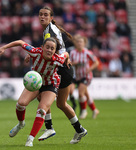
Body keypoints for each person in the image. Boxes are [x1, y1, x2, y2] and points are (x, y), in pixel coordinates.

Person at [0, 37, 76, 147]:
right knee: (20, 104)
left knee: (42, 110)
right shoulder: (35, 52)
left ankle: (30, 139)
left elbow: (65, 54)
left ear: (55, 50)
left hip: (50, 84)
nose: (49, 50)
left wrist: (67, 60)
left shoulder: (58, 59)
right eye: (47, 47)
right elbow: (20, 42)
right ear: (42, 47)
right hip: (36, 83)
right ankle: (20, 124)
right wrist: (3, 47)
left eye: (52, 48)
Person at [25, 6, 87, 143]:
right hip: (62, 67)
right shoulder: (49, 30)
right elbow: (54, 49)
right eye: (40, 14)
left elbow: (53, 49)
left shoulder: (50, 32)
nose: (42, 17)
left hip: (61, 68)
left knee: (43, 94)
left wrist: (65, 56)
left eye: (46, 15)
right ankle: (79, 130)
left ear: (51, 18)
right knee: (60, 103)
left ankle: (49, 127)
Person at [70, 34, 99, 119]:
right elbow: (70, 63)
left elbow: (96, 62)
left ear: (84, 43)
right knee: (86, 95)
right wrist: (73, 63)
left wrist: (89, 69)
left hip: (86, 76)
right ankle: (94, 110)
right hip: (78, 76)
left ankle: (83, 111)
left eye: (81, 42)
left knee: (80, 93)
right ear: (75, 43)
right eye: (78, 42)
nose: (79, 43)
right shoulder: (72, 52)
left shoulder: (87, 52)